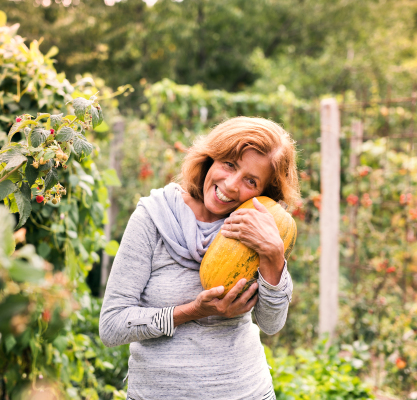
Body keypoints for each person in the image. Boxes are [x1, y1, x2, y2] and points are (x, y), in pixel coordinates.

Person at [100, 116, 300, 400]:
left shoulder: (261, 229)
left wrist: (273, 255)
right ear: (210, 158)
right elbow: (112, 326)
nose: (231, 185)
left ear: (263, 193)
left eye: (251, 181)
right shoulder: (153, 217)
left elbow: (271, 324)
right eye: (229, 164)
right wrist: (192, 311)